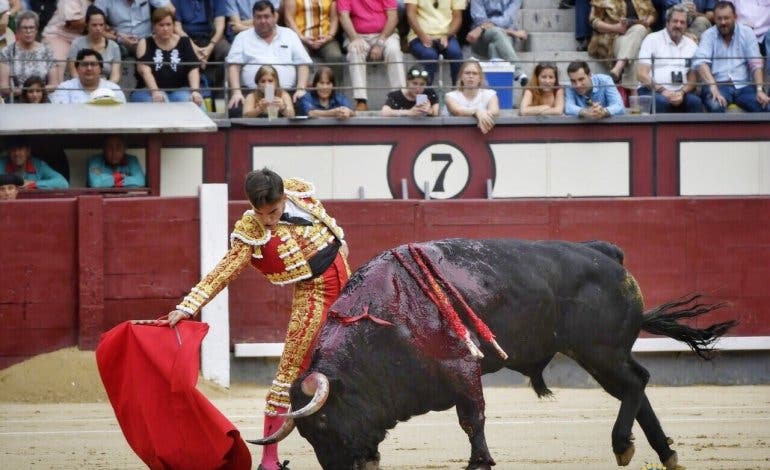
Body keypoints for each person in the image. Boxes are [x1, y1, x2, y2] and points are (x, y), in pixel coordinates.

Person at [165, 168, 350, 470]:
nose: (268, 220)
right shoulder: (251, 231)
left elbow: (327, 224)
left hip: (348, 283)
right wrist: (188, 306)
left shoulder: (299, 193)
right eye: (260, 213)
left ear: (283, 197)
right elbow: (224, 271)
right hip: (313, 295)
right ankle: (269, 462)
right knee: (288, 374)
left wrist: (341, 244)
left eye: (273, 212)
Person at [225, 0, 312, 113]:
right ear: (253, 19)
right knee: (235, 108)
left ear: (275, 17)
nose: (263, 21)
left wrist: (300, 89)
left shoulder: (289, 34)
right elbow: (233, 66)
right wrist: (236, 92)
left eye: (266, 16)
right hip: (253, 94)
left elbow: (303, 63)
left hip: (286, 93)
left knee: (303, 105)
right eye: (258, 17)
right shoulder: (242, 37)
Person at [692, 1, 769, 112]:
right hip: (718, 84)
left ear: (735, 17)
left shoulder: (747, 32)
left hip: (743, 86)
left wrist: (759, 90)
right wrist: (713, 87)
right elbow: (701, 62)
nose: (723, 22)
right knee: (715, 105)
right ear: (714, 19)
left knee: (766, 105)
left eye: (726, 18)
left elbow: (755, 63)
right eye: (719, 19)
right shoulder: (708, 35)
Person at [337, 0, 405, 112]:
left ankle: (399, 98)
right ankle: (361, 101)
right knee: (355, 51)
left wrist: (380, 42)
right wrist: (354, 38)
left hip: (386, 34)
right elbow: (343, 16)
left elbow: (393, 17)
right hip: (357, 34)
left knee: (394, 51)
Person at [130, 7, 203, 107]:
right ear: (154, 26)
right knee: (161, 104)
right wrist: (155, 92)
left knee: (194, 102)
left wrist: (195, 91)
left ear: (173, 25)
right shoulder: (145, 42)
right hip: (147, 90)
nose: (165, 29)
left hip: (180, 90)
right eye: (161, 25)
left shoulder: (184, 41)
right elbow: (144, 70)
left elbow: (193, 68)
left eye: (168, 24)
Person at [636, 4, 702, 113]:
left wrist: (681, 93)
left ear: (686, 25)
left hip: (680, 91)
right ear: (667, 22)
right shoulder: (652, 39)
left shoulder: (692, 45)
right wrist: (663, 91)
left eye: (682, 22)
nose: (678, 25)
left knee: (695, 102)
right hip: (652, 90)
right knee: (661, 102)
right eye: (675, 21)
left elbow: (692, 80)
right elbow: (641, 74)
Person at [587, 0, 656, 91]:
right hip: (614, 37)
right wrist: (615, 28)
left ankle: (617, 69)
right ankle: (634, 94)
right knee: (635, 48)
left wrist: (646, 23)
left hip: (639, 36)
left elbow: (652, 13)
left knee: (639, 29)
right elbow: (594, 21)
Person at [170, 0, 230, 92]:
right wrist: (193, 47)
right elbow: (177, 27)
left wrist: (210, 47)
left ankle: (220, 92)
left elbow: (220, 26)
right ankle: (184, 90)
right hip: (186, 38)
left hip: (211, 37)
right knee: (176, 48)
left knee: (225, 49)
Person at [466, 0, 528, 86]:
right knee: (497, 33)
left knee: (494, 46)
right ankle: (518, 71)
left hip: (504, 37)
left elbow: (506, 20)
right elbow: (479, 20)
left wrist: (485, 26)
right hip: (481, 38)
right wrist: (512, 32)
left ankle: (493, 89)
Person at [405, 0, 466, 86]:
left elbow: (457, 18)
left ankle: (458, 91)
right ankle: (425, 92)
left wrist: (447, 36)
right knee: (429, 55)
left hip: (447, 35)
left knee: (456, 53)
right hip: (418, 35)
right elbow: (410, 14)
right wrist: (422, 36)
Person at [283, 0, 343, 86]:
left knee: (335, 56)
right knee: (299, 56)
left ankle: (337, 91)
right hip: (300, 38)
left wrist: (329, 36)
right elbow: (289, 19)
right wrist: (301, 37)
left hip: (325, 38)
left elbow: (334, 19)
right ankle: (301, 91)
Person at [0, 10, 58, 100]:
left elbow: (54, 84)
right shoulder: (7, 52)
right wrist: (27, 92)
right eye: (24, 28)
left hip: (41, 101)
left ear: (36, 30)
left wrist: (36, 92)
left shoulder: (47, 51)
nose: (28, 31)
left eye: (31, 27)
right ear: (18, 30)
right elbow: (4, 87)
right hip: (15, 101)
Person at [94, 0, 175, 58]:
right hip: (117, 42)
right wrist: (117, 37)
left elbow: (170, 10)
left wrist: (157, 28)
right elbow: (94, 24)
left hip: (148, 40)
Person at [67, 5, 122, 83]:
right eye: (94, 25)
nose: (98, 28)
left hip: (106, 86)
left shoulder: (114, 46)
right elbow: (74, 73)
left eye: (101, 25)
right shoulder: (76, 44)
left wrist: (106, 87)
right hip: (80, 85)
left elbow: (115, 76)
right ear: (87, 26)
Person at [50, 48, 126, 103]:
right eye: (84, 64)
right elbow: (60, 115)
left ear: (100, 69)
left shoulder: (113, 89)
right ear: (77, 69)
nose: (89, 68)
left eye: (93, 64)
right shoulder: (65, 88)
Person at [40, 0, 90, 83]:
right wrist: (95, 22)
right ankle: (57, 89)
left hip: (83, 37)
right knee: (59, 62)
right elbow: (74, 22)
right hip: (58, 35)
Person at [445, 60, 500, 134]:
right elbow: (457, 111)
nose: (471, 76)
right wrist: (476, 112)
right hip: (456, 133)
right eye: (467, 73)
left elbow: (495, 110)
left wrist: (482, 115)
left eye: (475, 73)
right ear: (461, 77)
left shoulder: (490, 94)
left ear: (480, 78)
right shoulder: (451, 96)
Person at [0, 136, 69, 189]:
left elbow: (63, 183)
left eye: (20, 149)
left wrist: (33, 184)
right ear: (8, 152)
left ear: (28, 151)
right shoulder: (1, 164)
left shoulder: (38, 165)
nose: (16, 154)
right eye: (13, 149)